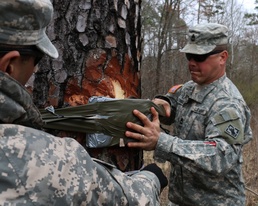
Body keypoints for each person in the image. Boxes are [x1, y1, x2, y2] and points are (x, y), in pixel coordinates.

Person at [0, 0, 168, 205]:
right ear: (9, 66)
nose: (35, 72)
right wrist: (151, 177)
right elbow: (134, 199)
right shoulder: (42, 159)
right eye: (37, 61)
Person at [125, 23, 253, 206]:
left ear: (222, 57)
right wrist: (164, 103)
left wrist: (162, 142)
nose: (192, 62)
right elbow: (174, 103)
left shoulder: (227, 103)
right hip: (180, 200)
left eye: (200, 56)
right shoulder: (189, 88)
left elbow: (220, 158)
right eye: (189, 55)